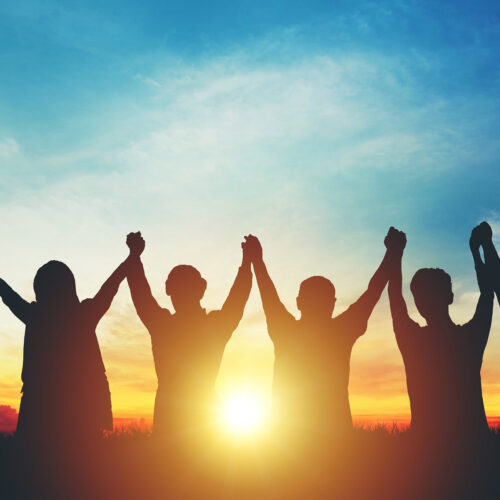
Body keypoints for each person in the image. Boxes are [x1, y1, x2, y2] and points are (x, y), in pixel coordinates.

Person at [243, 228, 402, 443]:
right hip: (332, 440)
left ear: (299, 302)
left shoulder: (286, 330)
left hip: (287, 443)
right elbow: (372, 292)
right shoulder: (341, 331)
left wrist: (256, 260)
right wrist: (392, 254)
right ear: (333, 303)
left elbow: (267, 293)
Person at [0, 245, 132, 453]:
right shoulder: (83, 315)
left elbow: (8, 296)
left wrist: (130, 260)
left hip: (39, 415)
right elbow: (110, 288)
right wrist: (130, 259)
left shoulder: (35, 316)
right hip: (80, 417)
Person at [125, 232, 252, 440]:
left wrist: (135, 257)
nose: (179, 293)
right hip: (203, 423)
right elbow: (238, 299)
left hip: (178, 423)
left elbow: (141, 294)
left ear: (167, 289)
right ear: (202, 290)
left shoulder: (163, 325)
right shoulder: (213, 326)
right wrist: (247, 263)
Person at [387, 225, 494, 449]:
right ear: (451, 297)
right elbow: (487, 291)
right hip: (473, 451)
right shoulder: (471, 338)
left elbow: (395, 296)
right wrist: (479, 248)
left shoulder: (412, 341)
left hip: (425, 454)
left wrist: (396, 253)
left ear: (418, 303)